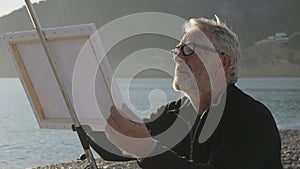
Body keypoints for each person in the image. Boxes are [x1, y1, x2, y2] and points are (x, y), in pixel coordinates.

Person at [104, 16, 282, 169]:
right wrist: (88, 117)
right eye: (177, 50)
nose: (178, 58)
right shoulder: (171, 113)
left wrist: (147, 150)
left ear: (223, 63)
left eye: (189, 50)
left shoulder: (253, 120)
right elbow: (121, 143)